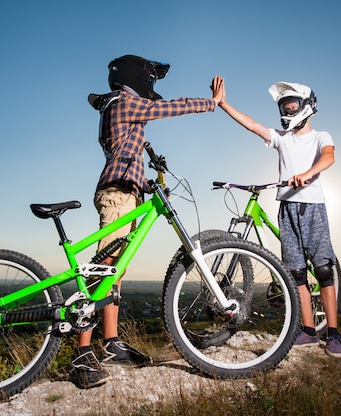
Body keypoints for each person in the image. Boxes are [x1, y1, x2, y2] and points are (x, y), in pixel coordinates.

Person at [68, 55, 225, 389]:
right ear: (136, 79)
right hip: (120, 194)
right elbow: (171, 107)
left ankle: (110, 344)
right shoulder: (126, 103)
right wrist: (211, 103)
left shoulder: (119, 108)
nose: (150, 90)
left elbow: (135, 144)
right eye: (149, 81)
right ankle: (82, 354)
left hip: (129, 192)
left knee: (116, 271)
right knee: (105, 267)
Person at [213, 78, 341, 358]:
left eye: (292, 106)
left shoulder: (321, 136)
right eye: (283, 108)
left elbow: (329, 157)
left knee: (322, 270)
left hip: (311, 208)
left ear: (307, 107)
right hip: (286, 209)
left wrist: (308, 174)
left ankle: (333, 333)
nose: (286, 112)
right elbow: (252, 125)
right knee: (296, 273)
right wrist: (223, 104)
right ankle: (309, 331)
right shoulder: (282, 138)